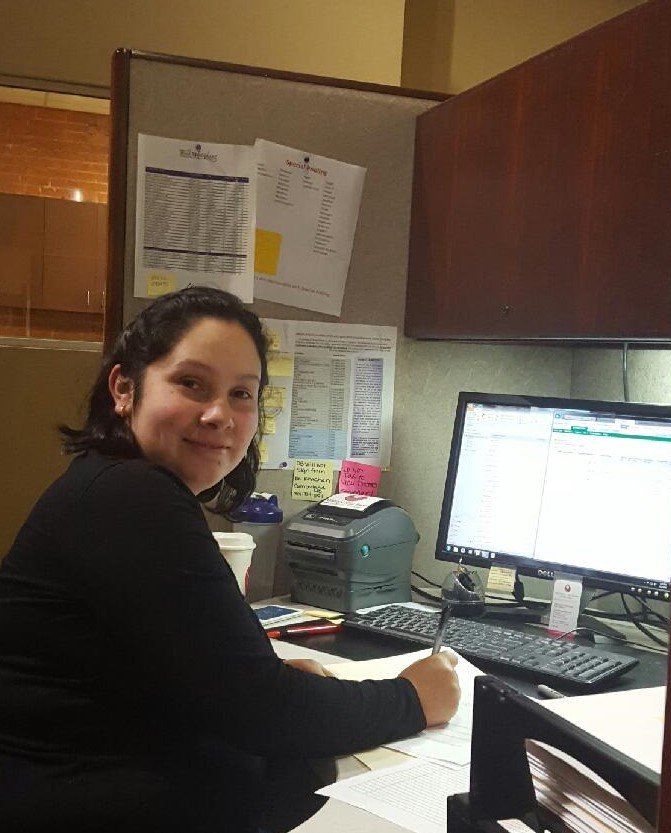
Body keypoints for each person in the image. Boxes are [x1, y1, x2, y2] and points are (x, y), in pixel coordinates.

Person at [0, 286, 460, 833]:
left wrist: (255, 677)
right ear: (124, 388)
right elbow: (266, 713)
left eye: (242, 394)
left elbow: (180, 673)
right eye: (191, 383)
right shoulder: (131, 500)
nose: (220, 414)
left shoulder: (110, 484)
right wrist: (414, 697)